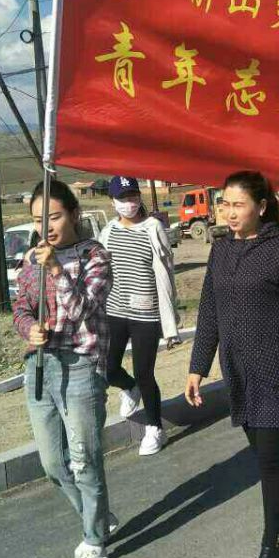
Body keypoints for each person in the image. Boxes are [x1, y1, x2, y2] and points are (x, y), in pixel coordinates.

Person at [186, 171, 279, 558]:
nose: (228, 212)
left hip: (277, 368)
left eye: (237, 204)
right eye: (224, 203)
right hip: (238, 370)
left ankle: (272, 548)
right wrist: (197, 366)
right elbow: (209, 311)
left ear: (261, 207)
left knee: (270, 461)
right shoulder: (220, 250)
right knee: (264, 453)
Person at [12, 179, 117, 558]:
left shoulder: (94, 255)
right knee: (53, 463)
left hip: (81, 365)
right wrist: (28, 330)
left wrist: (56, 268)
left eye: (53, 216)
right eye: (39, 220)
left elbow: (82, 311)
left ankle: (94, 542)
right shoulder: (30, 259)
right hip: (39, 366)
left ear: (73, 214)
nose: (47, 227)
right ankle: (99, 515)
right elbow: (21, 306)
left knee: (85, 460)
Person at [100, 175, 180, 456]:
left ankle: (155, 428)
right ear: (112, 201)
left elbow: (166, 272)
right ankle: (128, 387)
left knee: (144, 372)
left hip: (145, 313)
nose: (129, 203)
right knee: (108, 368)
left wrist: (169, 323)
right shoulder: (108, 231)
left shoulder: (152, 227)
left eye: (133, 196)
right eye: (123, 198)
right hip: (114, 310)